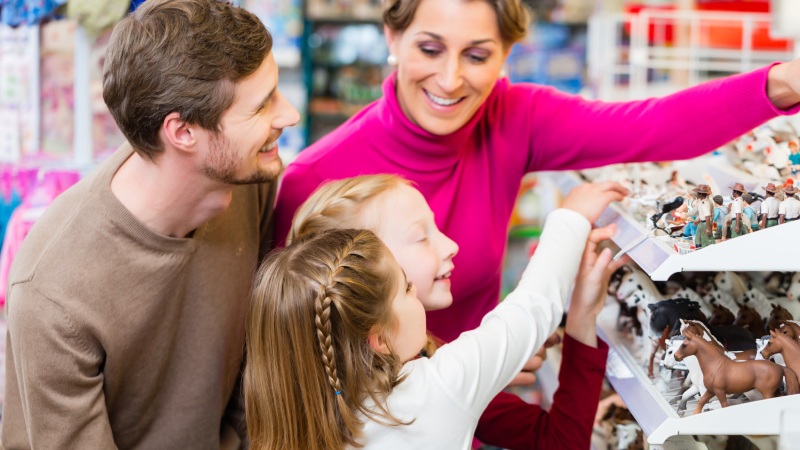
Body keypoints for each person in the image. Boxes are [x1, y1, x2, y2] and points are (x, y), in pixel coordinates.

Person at [273, 0, 800, 343]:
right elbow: (291, 359)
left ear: (506, 53)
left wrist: (782, 82)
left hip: (478, 420)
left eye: (477, 55)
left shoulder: (513, 117)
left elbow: (653, 126)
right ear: (392, 37)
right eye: (429, 49)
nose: (451, 79)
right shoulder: (313, 181)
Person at [2, 0, 300, 448]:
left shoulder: (246, 181)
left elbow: (252, 370)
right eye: (261, 107)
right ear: (182, 133)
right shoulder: (53, 291)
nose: (290, 115)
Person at [245, 181, 627, 450]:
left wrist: (580, 318)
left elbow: (554, 441)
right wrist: (571, 219)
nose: (452, 244)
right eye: (421, 236)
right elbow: (532, 307)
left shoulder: (298, 401)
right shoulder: (436, 387)